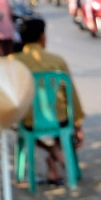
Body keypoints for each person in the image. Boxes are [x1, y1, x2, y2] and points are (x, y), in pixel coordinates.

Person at [9, 17, 86, 185]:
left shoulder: (12, 62)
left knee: (20, 129)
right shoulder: (57, 61)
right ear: (42, 38)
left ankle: (53, 159)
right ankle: (56, 154)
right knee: (61, 128)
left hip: (27, 120)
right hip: (60, 119)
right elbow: (72, 95)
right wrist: (78, 125)